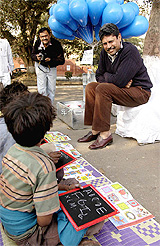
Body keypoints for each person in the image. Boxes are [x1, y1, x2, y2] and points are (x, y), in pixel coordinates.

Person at [0, 92, 103, 246]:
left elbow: (30, 188)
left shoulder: (13, 150)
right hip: (28, 234)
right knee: (95, 221)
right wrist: (58, 206)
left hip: (9, 221)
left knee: (71, 187)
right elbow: (43, 221)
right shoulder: (44, 166)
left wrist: (62, 188)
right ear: (45, 131)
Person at [78, 23, 153, 150]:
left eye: (111, 41)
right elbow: (99, 76)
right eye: (105, 43)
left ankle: (105, 134)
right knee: (91, 87)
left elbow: (118, 81)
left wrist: (113, 79)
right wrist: (114, 78)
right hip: (124, 89)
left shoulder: (130, 51)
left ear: (119, 37)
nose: (108, 46)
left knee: (102, 88)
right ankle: (96, 130)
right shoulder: (104, 52)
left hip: (140, 91)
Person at [0, 82, 61, 176]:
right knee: (58, 172)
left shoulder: (7, 124)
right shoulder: (12, 133)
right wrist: (44, 160)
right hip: (11, 177)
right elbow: (15, 167)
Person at [31, 27, 65, 103]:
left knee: (51, 89)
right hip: (40, 67)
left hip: (51, 68)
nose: (44, 38)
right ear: (39, 37)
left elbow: (62, 60)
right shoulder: (37, 43)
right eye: (42, 37)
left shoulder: (56, 44)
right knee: (41, 89)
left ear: (50, 35)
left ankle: (50, 107)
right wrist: (37, 58)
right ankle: (42, 107)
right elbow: (32, 55)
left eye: (46, 36)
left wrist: (51, 60)